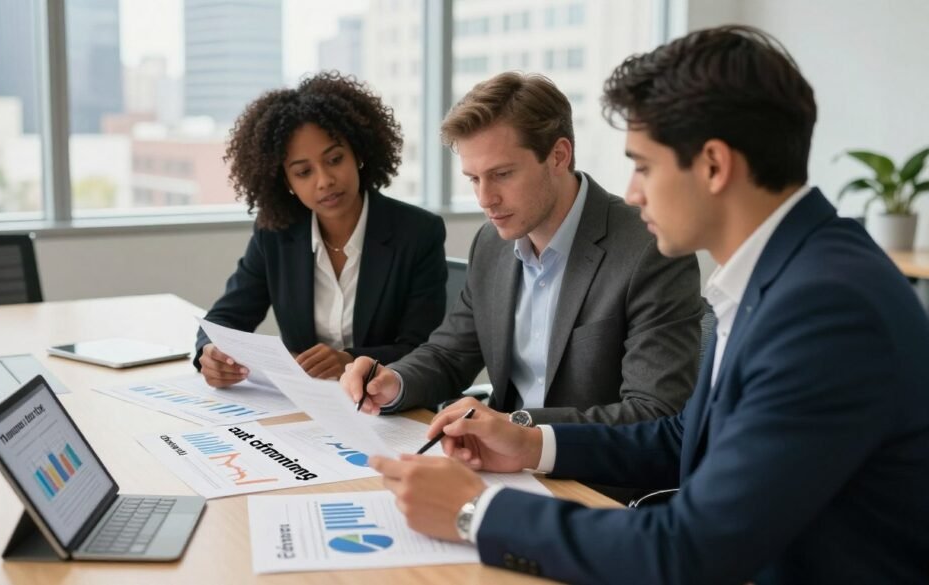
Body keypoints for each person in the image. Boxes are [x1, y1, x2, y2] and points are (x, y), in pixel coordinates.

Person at [368, 26, 929, 584]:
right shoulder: (786, 272)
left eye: (644, 165)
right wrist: (528, 442)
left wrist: (476, 513)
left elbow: (693, 549)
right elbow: (684, 437)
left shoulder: (825, 308)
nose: (633, 193)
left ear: (713, 165)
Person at [341, 72, 703, 426]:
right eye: (474, 179)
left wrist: (514, 427)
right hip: (499, 462)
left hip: (593, 478)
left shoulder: (650, 250)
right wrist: (393, 382)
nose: (485, 198)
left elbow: (654, 413)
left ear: (559, 156)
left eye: (502, 174)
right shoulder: (490, 244)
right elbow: (450, 354)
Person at [195, 72, 447, 387]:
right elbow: (224, 318)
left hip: (390, 405)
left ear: (359, 154)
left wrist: (351, 359)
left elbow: (426, 349)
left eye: (335, 159)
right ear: (286, 182)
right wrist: (211, 352)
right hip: (310, 406)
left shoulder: (417, 232)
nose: (324, 180)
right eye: (303, 171)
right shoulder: (275, 234)